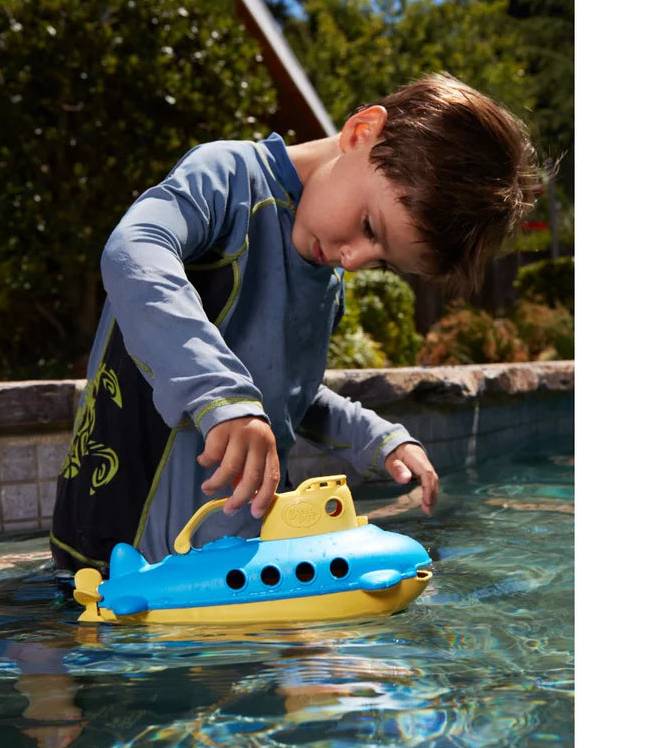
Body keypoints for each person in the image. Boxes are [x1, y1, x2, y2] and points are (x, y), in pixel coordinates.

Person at [50, 72, 540, 572]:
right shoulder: (229, 177)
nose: (354, 260)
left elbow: (285, 396)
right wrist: (221, 394)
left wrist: (374, 438)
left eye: (383, 259)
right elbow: (134, 250)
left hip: (228, 567)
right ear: (361, 131)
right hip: (117, 556)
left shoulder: (327, 275)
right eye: (370, 227)